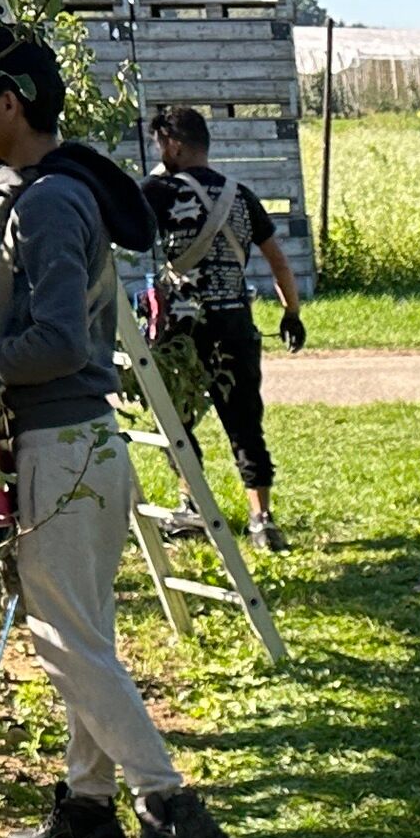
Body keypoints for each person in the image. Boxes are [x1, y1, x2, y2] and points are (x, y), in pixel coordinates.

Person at [0, 20, 236, 838]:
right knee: (86, 639)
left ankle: (171, 809)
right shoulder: (46, 191)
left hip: (62, 450)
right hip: (81, 448)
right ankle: (88, 810)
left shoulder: (46, 204)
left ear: (10, 101)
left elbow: (63, 340)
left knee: (64, 642)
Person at [140, 102, 305, 546]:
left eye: (160, 144)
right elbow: (278, 262)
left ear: (172, 145)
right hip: (235, 323)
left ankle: (193, 506)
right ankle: (262, 518)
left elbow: (129, 230)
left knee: (176, 420)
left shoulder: (160, 191)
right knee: (245, 421)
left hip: (183, 330)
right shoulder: (242, 195)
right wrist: (291, 312)